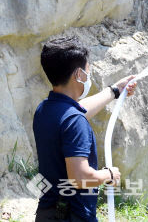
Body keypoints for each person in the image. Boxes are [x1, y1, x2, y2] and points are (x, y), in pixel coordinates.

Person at [33, 36, 138, 222]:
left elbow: (78, 111)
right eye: (88, 70)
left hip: (47, 212)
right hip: (72, 215)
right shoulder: (74, 120)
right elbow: (79, 178)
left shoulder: (44, 109)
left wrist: (114, 90)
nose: (89, 75)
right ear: (79, 75)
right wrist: (109, 174)